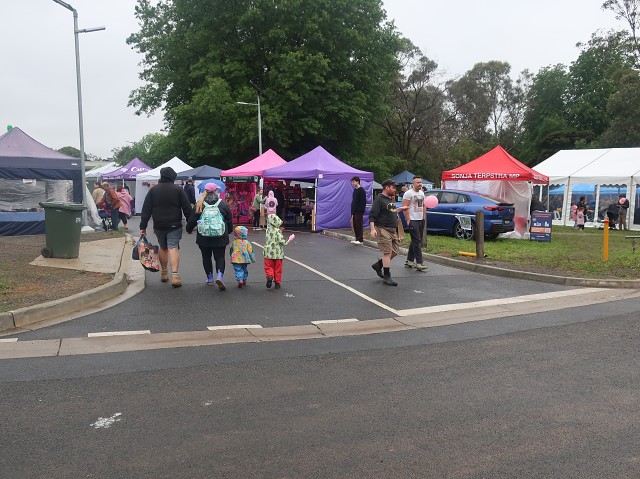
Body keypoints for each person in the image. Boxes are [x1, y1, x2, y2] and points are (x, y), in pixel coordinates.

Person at [139, 167, 192, 287]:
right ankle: (175, 275)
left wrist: (143, 226)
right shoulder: (178, 189)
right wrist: (190, 224)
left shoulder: (153, 190)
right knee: (173, 247)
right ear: (172, 177)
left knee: (163, 248)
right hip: (175, 224)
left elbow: (146, 209)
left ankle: (164, 273)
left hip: (159, 225)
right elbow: (187, 208)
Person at [186, 182, 233, 290]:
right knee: (220, 257)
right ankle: (220, 276)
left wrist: (189, 230)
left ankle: (210, 278)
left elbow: (192, 220)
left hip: (204, 237)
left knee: (206, 257)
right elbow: (229, 220)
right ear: (216, 191)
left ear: (205, 191)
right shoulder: (223, 204)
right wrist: (228, 231)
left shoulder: (200, 204)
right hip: (220, 236)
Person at [369, 179, 408, 286]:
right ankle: (387, 277)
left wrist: (400, 209)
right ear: (387, 187)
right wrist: (372, 229)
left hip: (393, 229)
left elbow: (391, 211)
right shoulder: (379, 199)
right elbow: (372, 215)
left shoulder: (391, 199)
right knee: (387, 253)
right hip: (383, 229)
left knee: (395, 251)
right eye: (393, 187)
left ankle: (378, 265)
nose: (395, 189)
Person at [402, 176, 427, 271]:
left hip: (420, 219)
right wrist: (408, 220)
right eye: (418, 182)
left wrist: (424, 217)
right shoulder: (408, 193)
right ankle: (419, 263)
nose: (420, 184)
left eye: (420, 182)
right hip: (412, 219)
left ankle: (409, 260)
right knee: (417, 241)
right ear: (413, 183)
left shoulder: (422, 193)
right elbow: (405, 207)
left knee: (415, 240)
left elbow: (424, 205)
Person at [263, 213, 294, 289]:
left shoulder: (267, 230)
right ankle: (277, 283)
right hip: (278, 254)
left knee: (268, 267)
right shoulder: (278, 232)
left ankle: (270, 276)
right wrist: (289, 240)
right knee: (278, 269)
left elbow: (272, 234)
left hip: (268, 253)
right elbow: (283, 242)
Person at [350, 176, 366, 245]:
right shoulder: (355, 190)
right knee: (355, 225)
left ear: (357, 181)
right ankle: (357, 238)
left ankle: (360, 239)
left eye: (354, 182)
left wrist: (360, 210)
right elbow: (354, 201)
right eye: (352, 182)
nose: (353, 183)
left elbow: (363, 202)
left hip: (359, 211)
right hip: (354, 211)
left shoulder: (361, 190)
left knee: (359, 225)